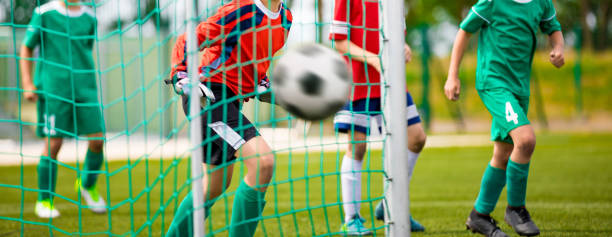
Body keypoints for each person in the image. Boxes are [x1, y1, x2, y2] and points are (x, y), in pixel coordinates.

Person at [164, 0, 291, 236]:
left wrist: (262, 85)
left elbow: (254, 62)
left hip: (231, 103)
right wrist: (180, 75)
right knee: (263, 162)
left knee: (213, 186)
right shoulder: (240, 10)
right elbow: (188, 40)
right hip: (207, 97)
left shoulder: (286, 19)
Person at [444, 0, 564, 236]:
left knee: (503, 154)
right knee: (526, 140)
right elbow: (464, 31)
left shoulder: (542, 3)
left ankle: (479, 216)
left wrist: (559, 48)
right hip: (494, 83)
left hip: (520, 88)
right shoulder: (492, 2)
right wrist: (452, 76)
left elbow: (554, 29)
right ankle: (516, 209)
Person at [329, 0, 427, 235]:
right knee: (357, 146)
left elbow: (394, 36)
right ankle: (351, 219)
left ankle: (392, 204)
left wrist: (403, 48)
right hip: (358, 83)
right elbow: (339, 41)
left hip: (391, 81)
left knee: (416, 138)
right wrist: (373, 58)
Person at [20, 0, 106, 219]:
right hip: (53, 89)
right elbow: (27, 46)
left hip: (86, 88)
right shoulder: (44, 13)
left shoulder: (90, 17)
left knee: (97, 140)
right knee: (54, 144)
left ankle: (87, 184)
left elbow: (85, 50)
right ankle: (44, 200)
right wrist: (28, 83)